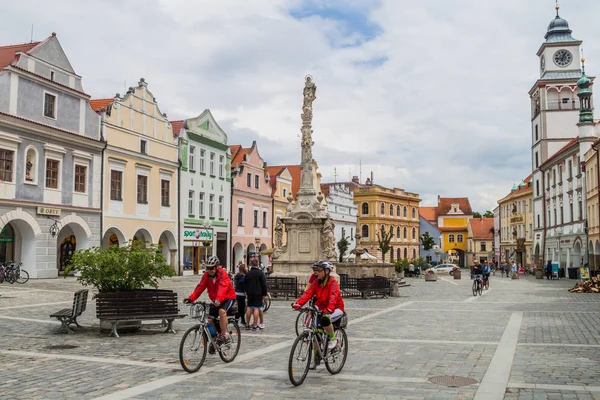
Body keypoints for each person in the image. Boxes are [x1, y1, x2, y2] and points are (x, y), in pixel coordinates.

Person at [184, 256, 237, 353]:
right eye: (207, 268)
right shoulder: (206, 275)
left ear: (216, 267)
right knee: (210, 319)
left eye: (211, 268)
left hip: (228, 298)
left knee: (222, 311)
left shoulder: (222, 274)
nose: (209, 270)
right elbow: (200, 287)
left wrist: (218, 300)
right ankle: (216, 341)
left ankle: (223, 335)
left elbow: (223, 287)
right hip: (215, 300)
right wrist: (191, 298)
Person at [293, 260, 345, 354]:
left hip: (335, 308)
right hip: (321, 309)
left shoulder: (333, 282)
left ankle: (333, 339)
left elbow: (333, 296)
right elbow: (308, 293)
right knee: (316, 334)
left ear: (327, 271)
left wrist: (329, 309)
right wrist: (298, 303)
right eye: (316, 270)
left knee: (325, 320)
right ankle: (316, 357)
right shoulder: (316, 282)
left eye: (320, 270)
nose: (317, 272)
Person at [245, 259, 268, 331]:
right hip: (258, 292)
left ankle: (247, 324)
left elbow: (245, 283)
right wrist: (264, 294)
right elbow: (264, 284)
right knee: (256, 308)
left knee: (249, 308)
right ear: (257, 264)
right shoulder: (261, 273)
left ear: (251, 264)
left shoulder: (248, 273)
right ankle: (255, 325)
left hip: (250, 293)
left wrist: (246, 291)